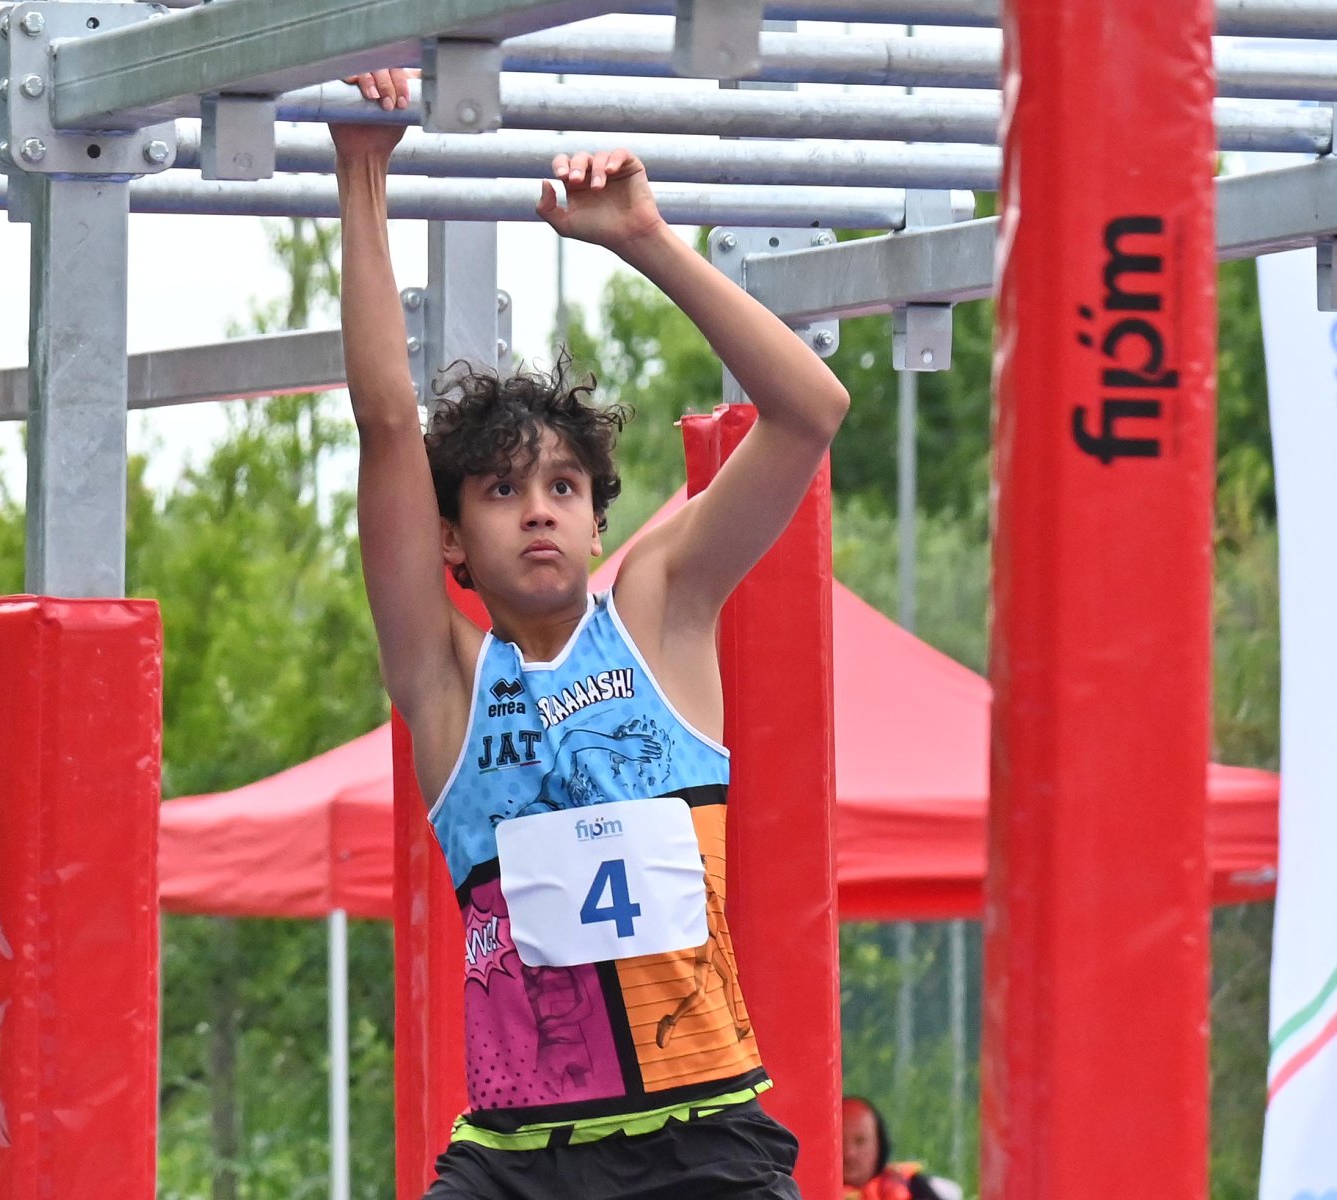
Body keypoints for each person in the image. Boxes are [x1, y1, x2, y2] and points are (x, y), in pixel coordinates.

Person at [332, 67, 850, 1199]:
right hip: (520, 1159)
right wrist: (362, 172)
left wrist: (647, 242)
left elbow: (812, 411)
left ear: (598, 518)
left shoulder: (660, 610)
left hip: (703, 1142)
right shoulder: (446, 680)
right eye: (502, 490)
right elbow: (384, 429)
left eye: (562, 487)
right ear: (451, 538)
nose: (538, 511)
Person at [842, 1096, 949, 1200]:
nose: (849, 1153)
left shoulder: (914, 1188)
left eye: (860, 1141)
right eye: (840, 1142)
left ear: (879, 1143)